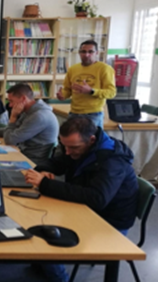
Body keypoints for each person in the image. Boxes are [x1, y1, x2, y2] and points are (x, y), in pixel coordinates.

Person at [25, 116, 138, 282]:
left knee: (44, 240)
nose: (68, 152)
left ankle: (59, 278)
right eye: (65, 146)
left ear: (91, 140)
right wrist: (43, 170)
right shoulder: (85, 148)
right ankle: (42, 267)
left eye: (73, 147)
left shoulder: (112, 160)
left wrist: (45, 184)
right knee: (34, 222)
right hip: (86, 210)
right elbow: (57, 161)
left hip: (109, 222)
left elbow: (97, 198)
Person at [0, 83, 58, 166]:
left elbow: (10, 140)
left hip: (31, 161)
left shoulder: (38, 116)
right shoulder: (28, 111)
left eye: (11, 101)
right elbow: (14, 131)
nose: (10, 105)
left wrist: (13, 118)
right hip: (22, 152)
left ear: (23, 99)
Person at [56, 40, 116, 129]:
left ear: (96, 53)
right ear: (79, 53)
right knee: (72, 141)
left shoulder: (105, 69)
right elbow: (68, 90)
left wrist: (91, 91)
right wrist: (62, 95)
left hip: (93, 114)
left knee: (91, 141)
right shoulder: (73, 69)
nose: (86, 54)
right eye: (83, 52)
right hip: (74, 113)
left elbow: (111, 93)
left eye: (90, 52)